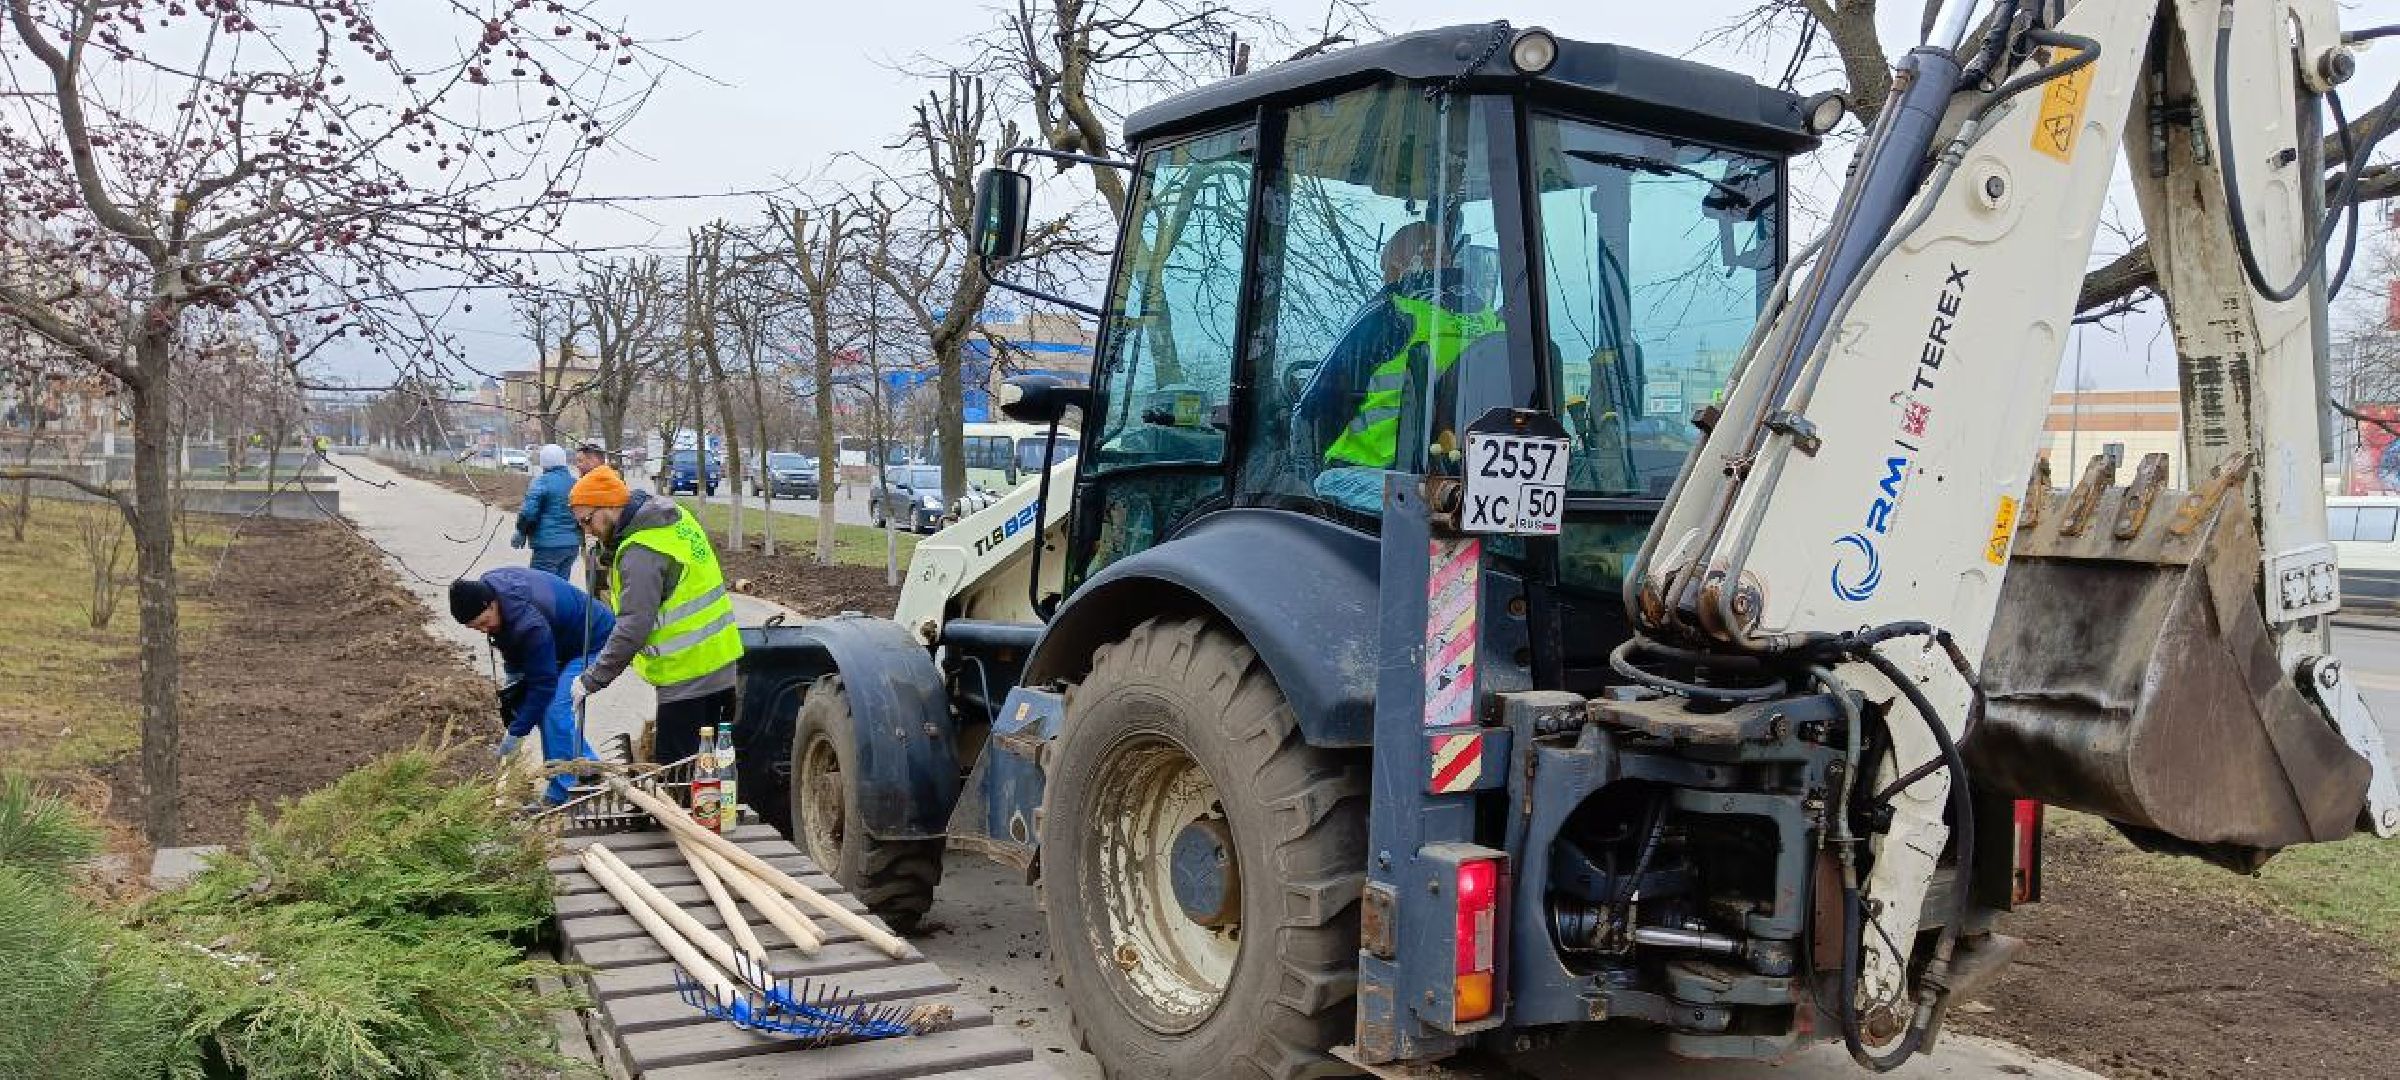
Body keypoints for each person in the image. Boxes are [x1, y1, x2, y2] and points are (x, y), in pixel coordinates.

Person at [1292, 221, 1503, 512]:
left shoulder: (1389, 313)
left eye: (1386, 271)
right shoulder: (1491, 322)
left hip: (1391, 479)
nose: (1385, 279)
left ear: (1398, 265)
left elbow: (1313, 407)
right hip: (1472, 487)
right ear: (1447, 262)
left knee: (1315, 485)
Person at [565, 464, 745, 764]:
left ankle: (686, 813)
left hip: (686, 675)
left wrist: (591, 679)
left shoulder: (641, 551)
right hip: (721, 662)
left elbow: (634, 627)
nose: (586, 530)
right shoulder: (673, 519)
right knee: (712, 767)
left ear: (608, 507)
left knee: (677, 775)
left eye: (586, 520)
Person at [449, 569, 614, 805]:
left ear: (493, 604)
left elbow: (543, 685)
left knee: (553, 708)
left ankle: (564, 794)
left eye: (485, 623)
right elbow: (512, 647)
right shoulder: (491, 590)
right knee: (536, 708)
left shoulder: (528, 623)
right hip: (559, 643)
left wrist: (517, 732)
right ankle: (587, 768)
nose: (484, 630)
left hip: (594, 640)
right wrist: (515, 688)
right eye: (476, 628)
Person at [516, 444, 580, 579]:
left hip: (548, 547)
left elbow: (529, 512)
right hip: (571, 546)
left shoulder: (542, 482)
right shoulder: (576, 483)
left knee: (540, 587)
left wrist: (521, 531)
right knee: (561, 588)